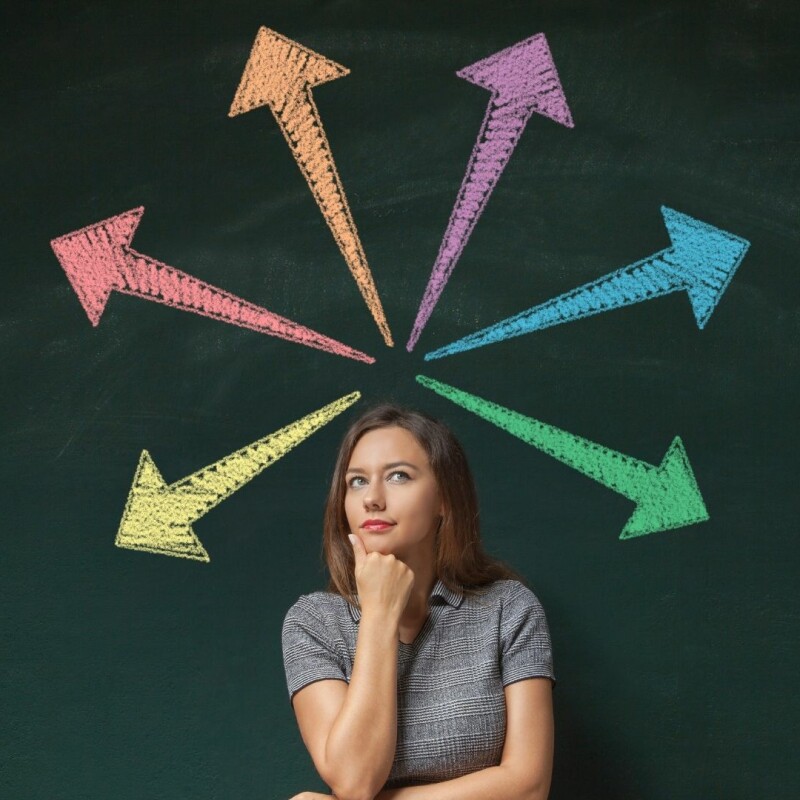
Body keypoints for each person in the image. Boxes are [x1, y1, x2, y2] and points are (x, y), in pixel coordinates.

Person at [281, 404, 555, 800]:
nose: (372, 499)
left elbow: (529, 787)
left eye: (398, 476)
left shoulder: (509, 609)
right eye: (357, 482)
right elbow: (354, 782)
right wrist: (378, 614)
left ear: (444, 498)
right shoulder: (314, 622)